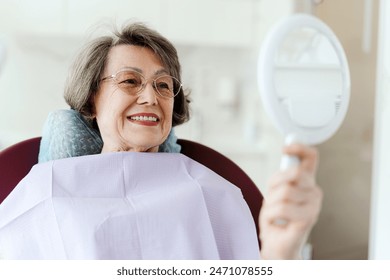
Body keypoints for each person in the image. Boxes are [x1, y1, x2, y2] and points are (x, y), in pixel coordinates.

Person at [2, 22, 323, 260]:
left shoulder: (215, 193)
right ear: (90, 98)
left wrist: (283, 251)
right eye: (130, 81)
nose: (150, 97)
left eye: (163, 86)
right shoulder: (48, 193)